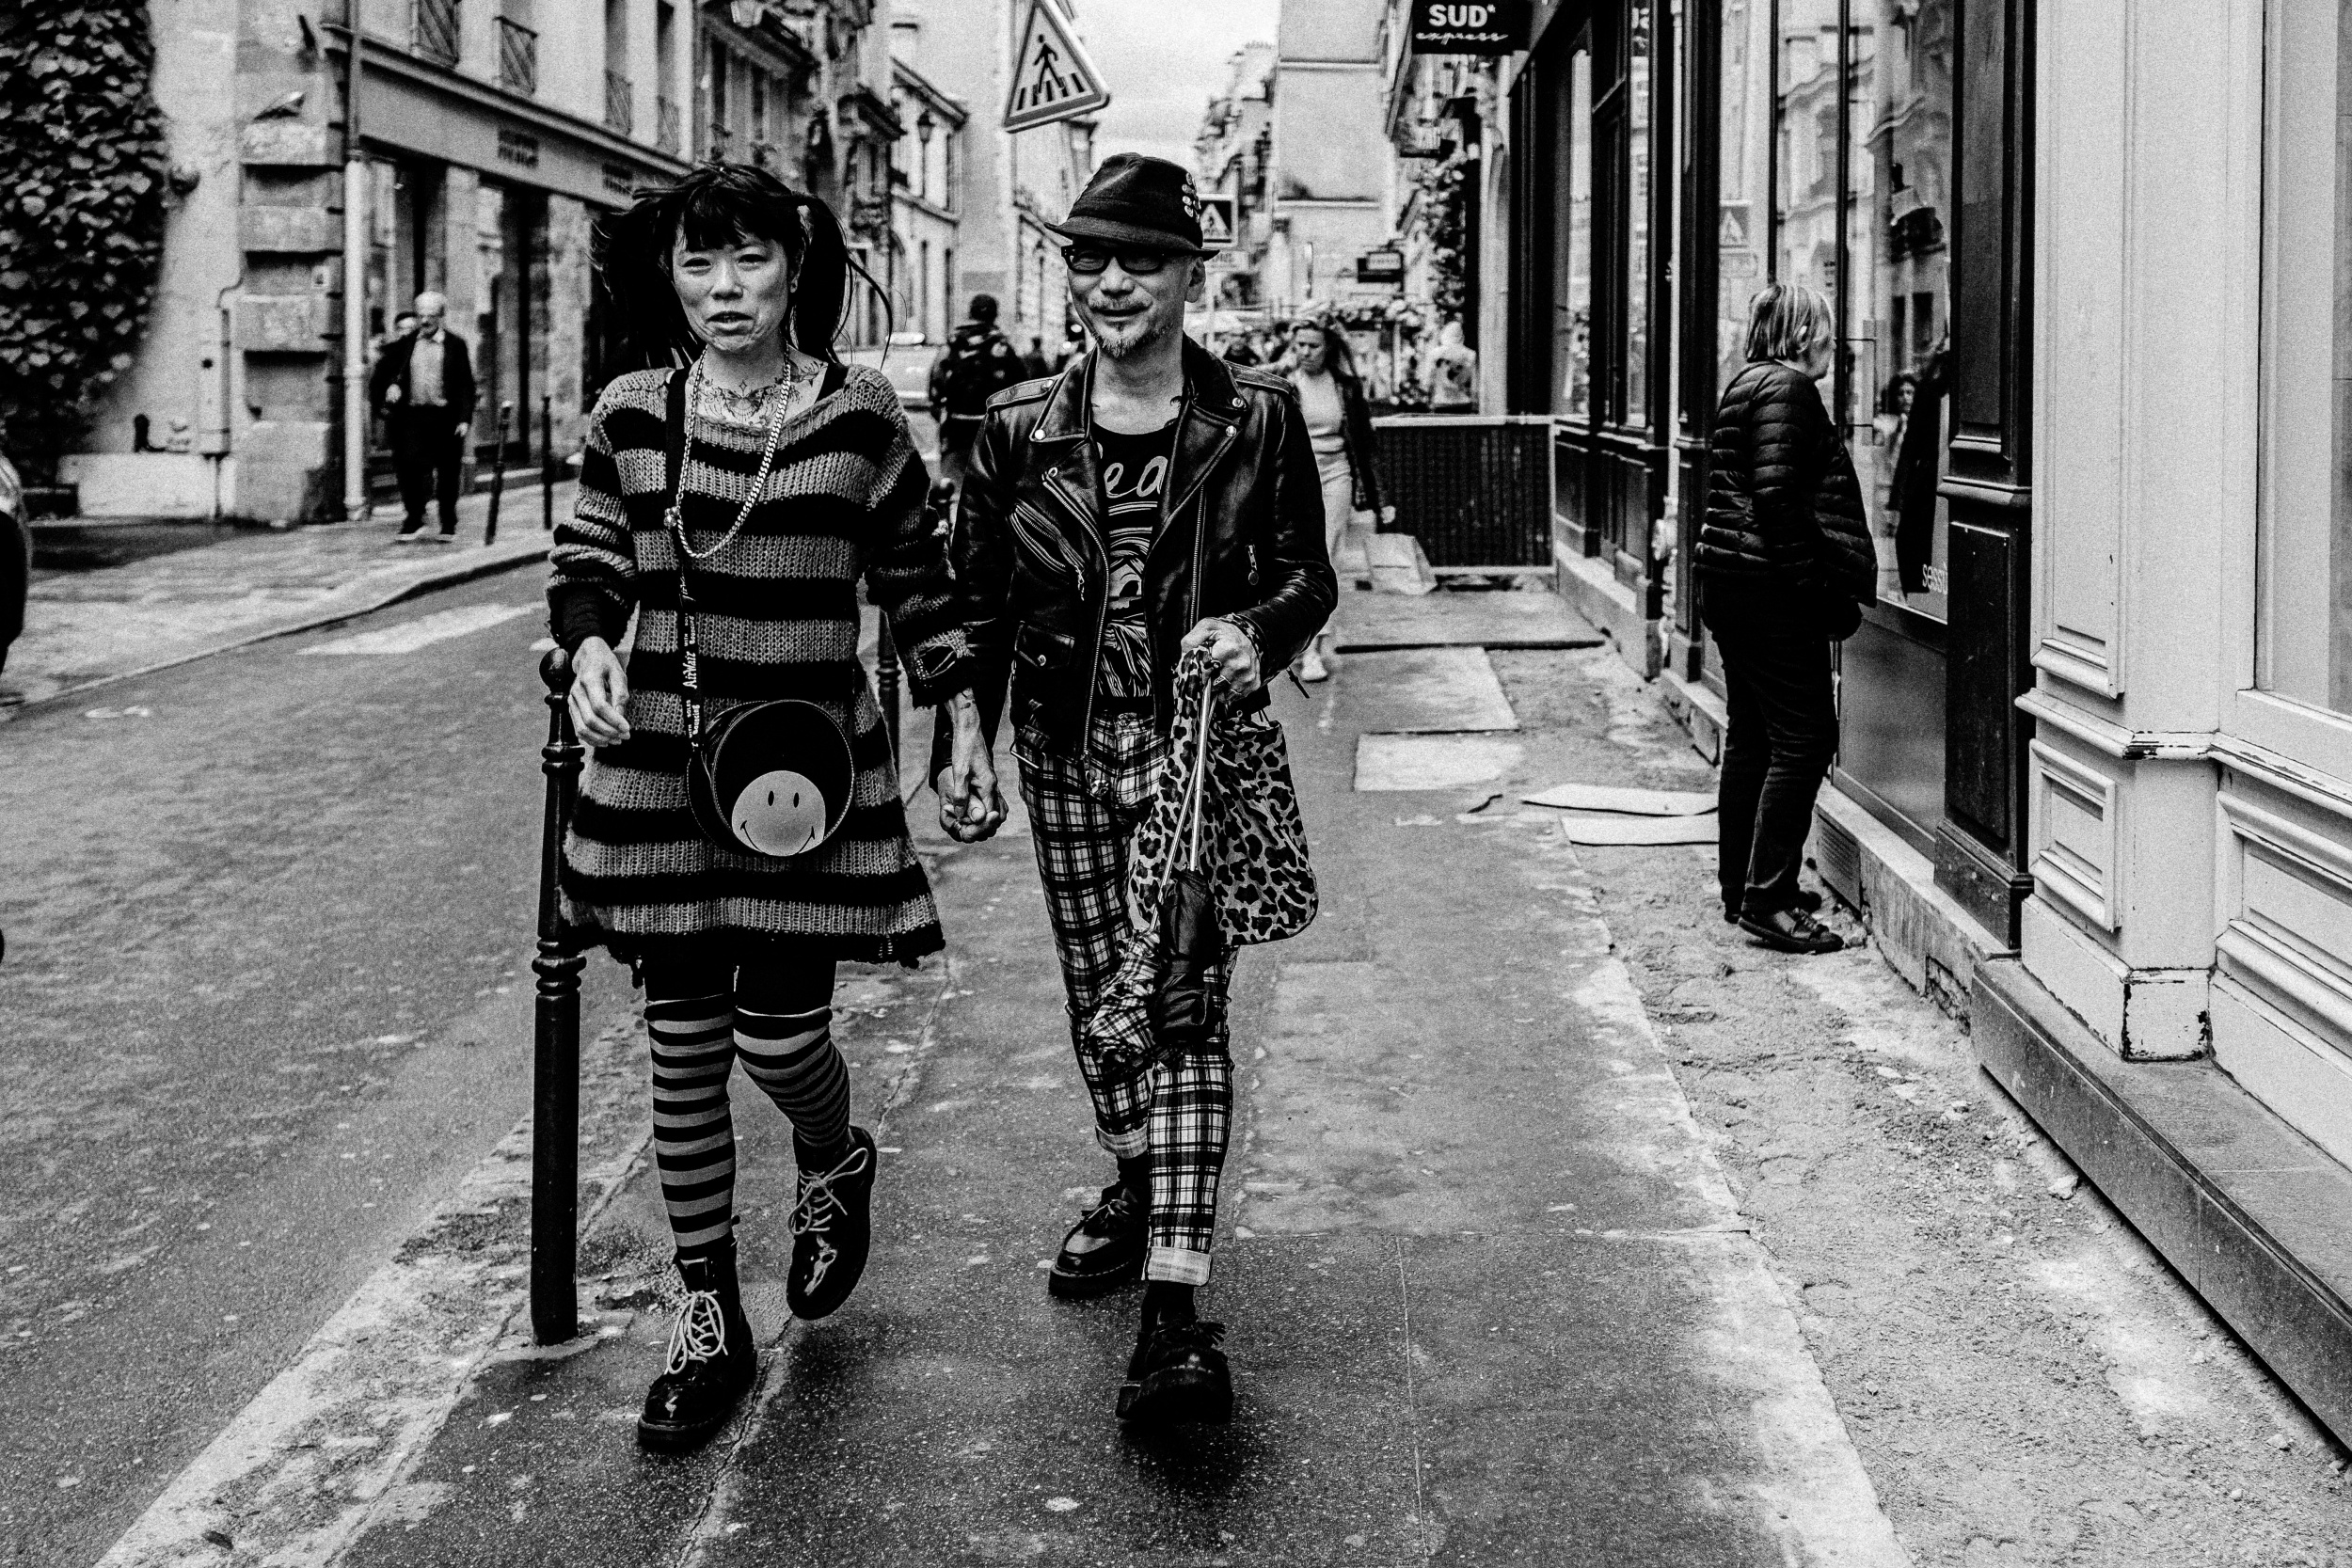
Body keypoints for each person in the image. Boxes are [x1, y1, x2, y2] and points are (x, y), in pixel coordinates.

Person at [548, 162, 983, 1451]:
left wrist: (961, 721)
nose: (723, 288)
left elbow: (917, 577)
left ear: (796, 269)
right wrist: (589, 643)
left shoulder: (859, 413)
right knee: (683, 1040)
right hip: (660, 769)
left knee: (782, 1040)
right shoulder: (634, 411)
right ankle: (705, 1310)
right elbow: (587, 558)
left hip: (801, 781)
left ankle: (834, 1157)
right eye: (698, 263)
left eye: (747, 260)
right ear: (671, 277)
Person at [931, 152, 1334, 1429]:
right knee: (1099, 999)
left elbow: (1308, 575)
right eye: (1092, 259)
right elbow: (973, 605)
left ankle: (1172, 1310)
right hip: (1060, 746)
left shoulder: (1256, 418)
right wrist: (959, 735)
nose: (1113, 282)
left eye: (1141, 261)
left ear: (1187, 274)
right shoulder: (1014, 431)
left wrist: (1256, 633)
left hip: (1195, 751)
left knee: (1180, 999)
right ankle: (1137, 1171)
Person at [1696, 282, 1877, 956]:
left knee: (1754, 735)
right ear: (1802, 336)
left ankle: (1743, 887)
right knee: (1805, 737)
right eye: (1826, 330)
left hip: (1732, 585)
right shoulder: (1789, 390)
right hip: (1767, 592)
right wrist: (1819, 595)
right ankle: (1768, 900)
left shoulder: (1746, 384)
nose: (1835, 343)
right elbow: (1778, 504)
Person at [1285, 315, 1389, 682]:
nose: (1306, 352)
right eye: (1300, 345)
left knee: (1327, 556)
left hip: (1336, 474)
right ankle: (1293, 638)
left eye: (1313, 345)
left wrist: (1380, 499)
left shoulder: (1345, 386)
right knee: (1293, 558)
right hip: (1295, 478)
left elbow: (1365, 443)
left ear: (1327, 348)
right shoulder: (1284, 383)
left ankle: (1314, 649)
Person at [368, 292, 476, 542]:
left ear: (441, 316)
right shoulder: (405, 344)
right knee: (409, 468)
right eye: (421, 315)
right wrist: (390, 388)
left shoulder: (455, 345)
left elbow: (465, 384)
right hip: (412, 417)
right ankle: (414, 519)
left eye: (431, 315)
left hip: (445, 417)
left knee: (448, 472)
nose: (425, 321)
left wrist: (464, 419)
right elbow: (382, 374)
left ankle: (448, 523)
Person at [927, 293, 1025, 496]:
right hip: (992, 429)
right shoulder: (1003, 347)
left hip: (955, 429)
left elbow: (935, 387)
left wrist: (943, 414)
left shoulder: (952, 344)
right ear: (995, 315)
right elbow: (1021, 389)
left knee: (953, 489)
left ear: (970, 313)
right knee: (988, 491)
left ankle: (954, 513)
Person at [1425, 318, 1478, 413]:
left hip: (1441, 402)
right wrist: (1475, 402)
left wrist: (1429, 400)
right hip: (1463, 403)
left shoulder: (1434, 354)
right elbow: (1474, 383)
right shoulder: (1471, 354)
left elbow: (1429, 379)